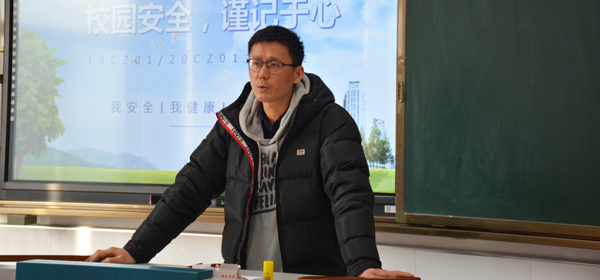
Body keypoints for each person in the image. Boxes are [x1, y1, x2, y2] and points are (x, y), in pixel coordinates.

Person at [87, 26, 413, 278]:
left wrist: (362, 266)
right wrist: (136, 251)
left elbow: (349, 196)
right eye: (256, 63)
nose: (262, 73)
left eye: (274, 65)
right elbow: (189, 190)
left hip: (311, 275)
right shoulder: (233, 126)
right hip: (244, 274)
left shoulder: (330, 122)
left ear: (298, 73)